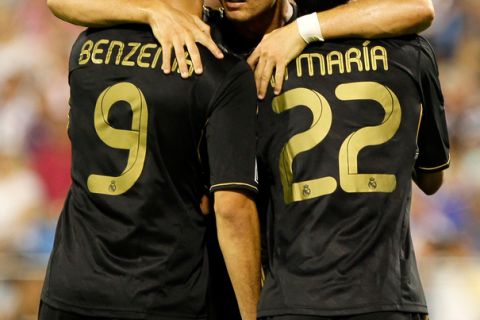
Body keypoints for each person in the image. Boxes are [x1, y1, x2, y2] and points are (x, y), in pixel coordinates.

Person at [39, 0, 261, 319]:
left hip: (70, 289)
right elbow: (232, 210)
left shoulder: (85, 48)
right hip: (164, 294)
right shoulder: (218, 70)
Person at [46, 0, 435, 98]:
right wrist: (150, 12)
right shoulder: (198, 27)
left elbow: (418, 8)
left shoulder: (314, 26)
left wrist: (303, 30)